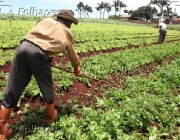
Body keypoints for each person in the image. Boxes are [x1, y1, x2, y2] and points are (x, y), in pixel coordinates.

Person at [0, 9, 82, 139]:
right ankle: (50, 116)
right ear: (66, 20)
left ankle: (2, 131)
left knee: (13, 85)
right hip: (38, 53)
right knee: (46, 85)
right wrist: (77, 67)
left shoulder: (45, 21)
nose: (70, 25)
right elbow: (71, 53)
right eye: (70, 22)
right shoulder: (66, 32)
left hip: (22, 48)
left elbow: (37, 37)